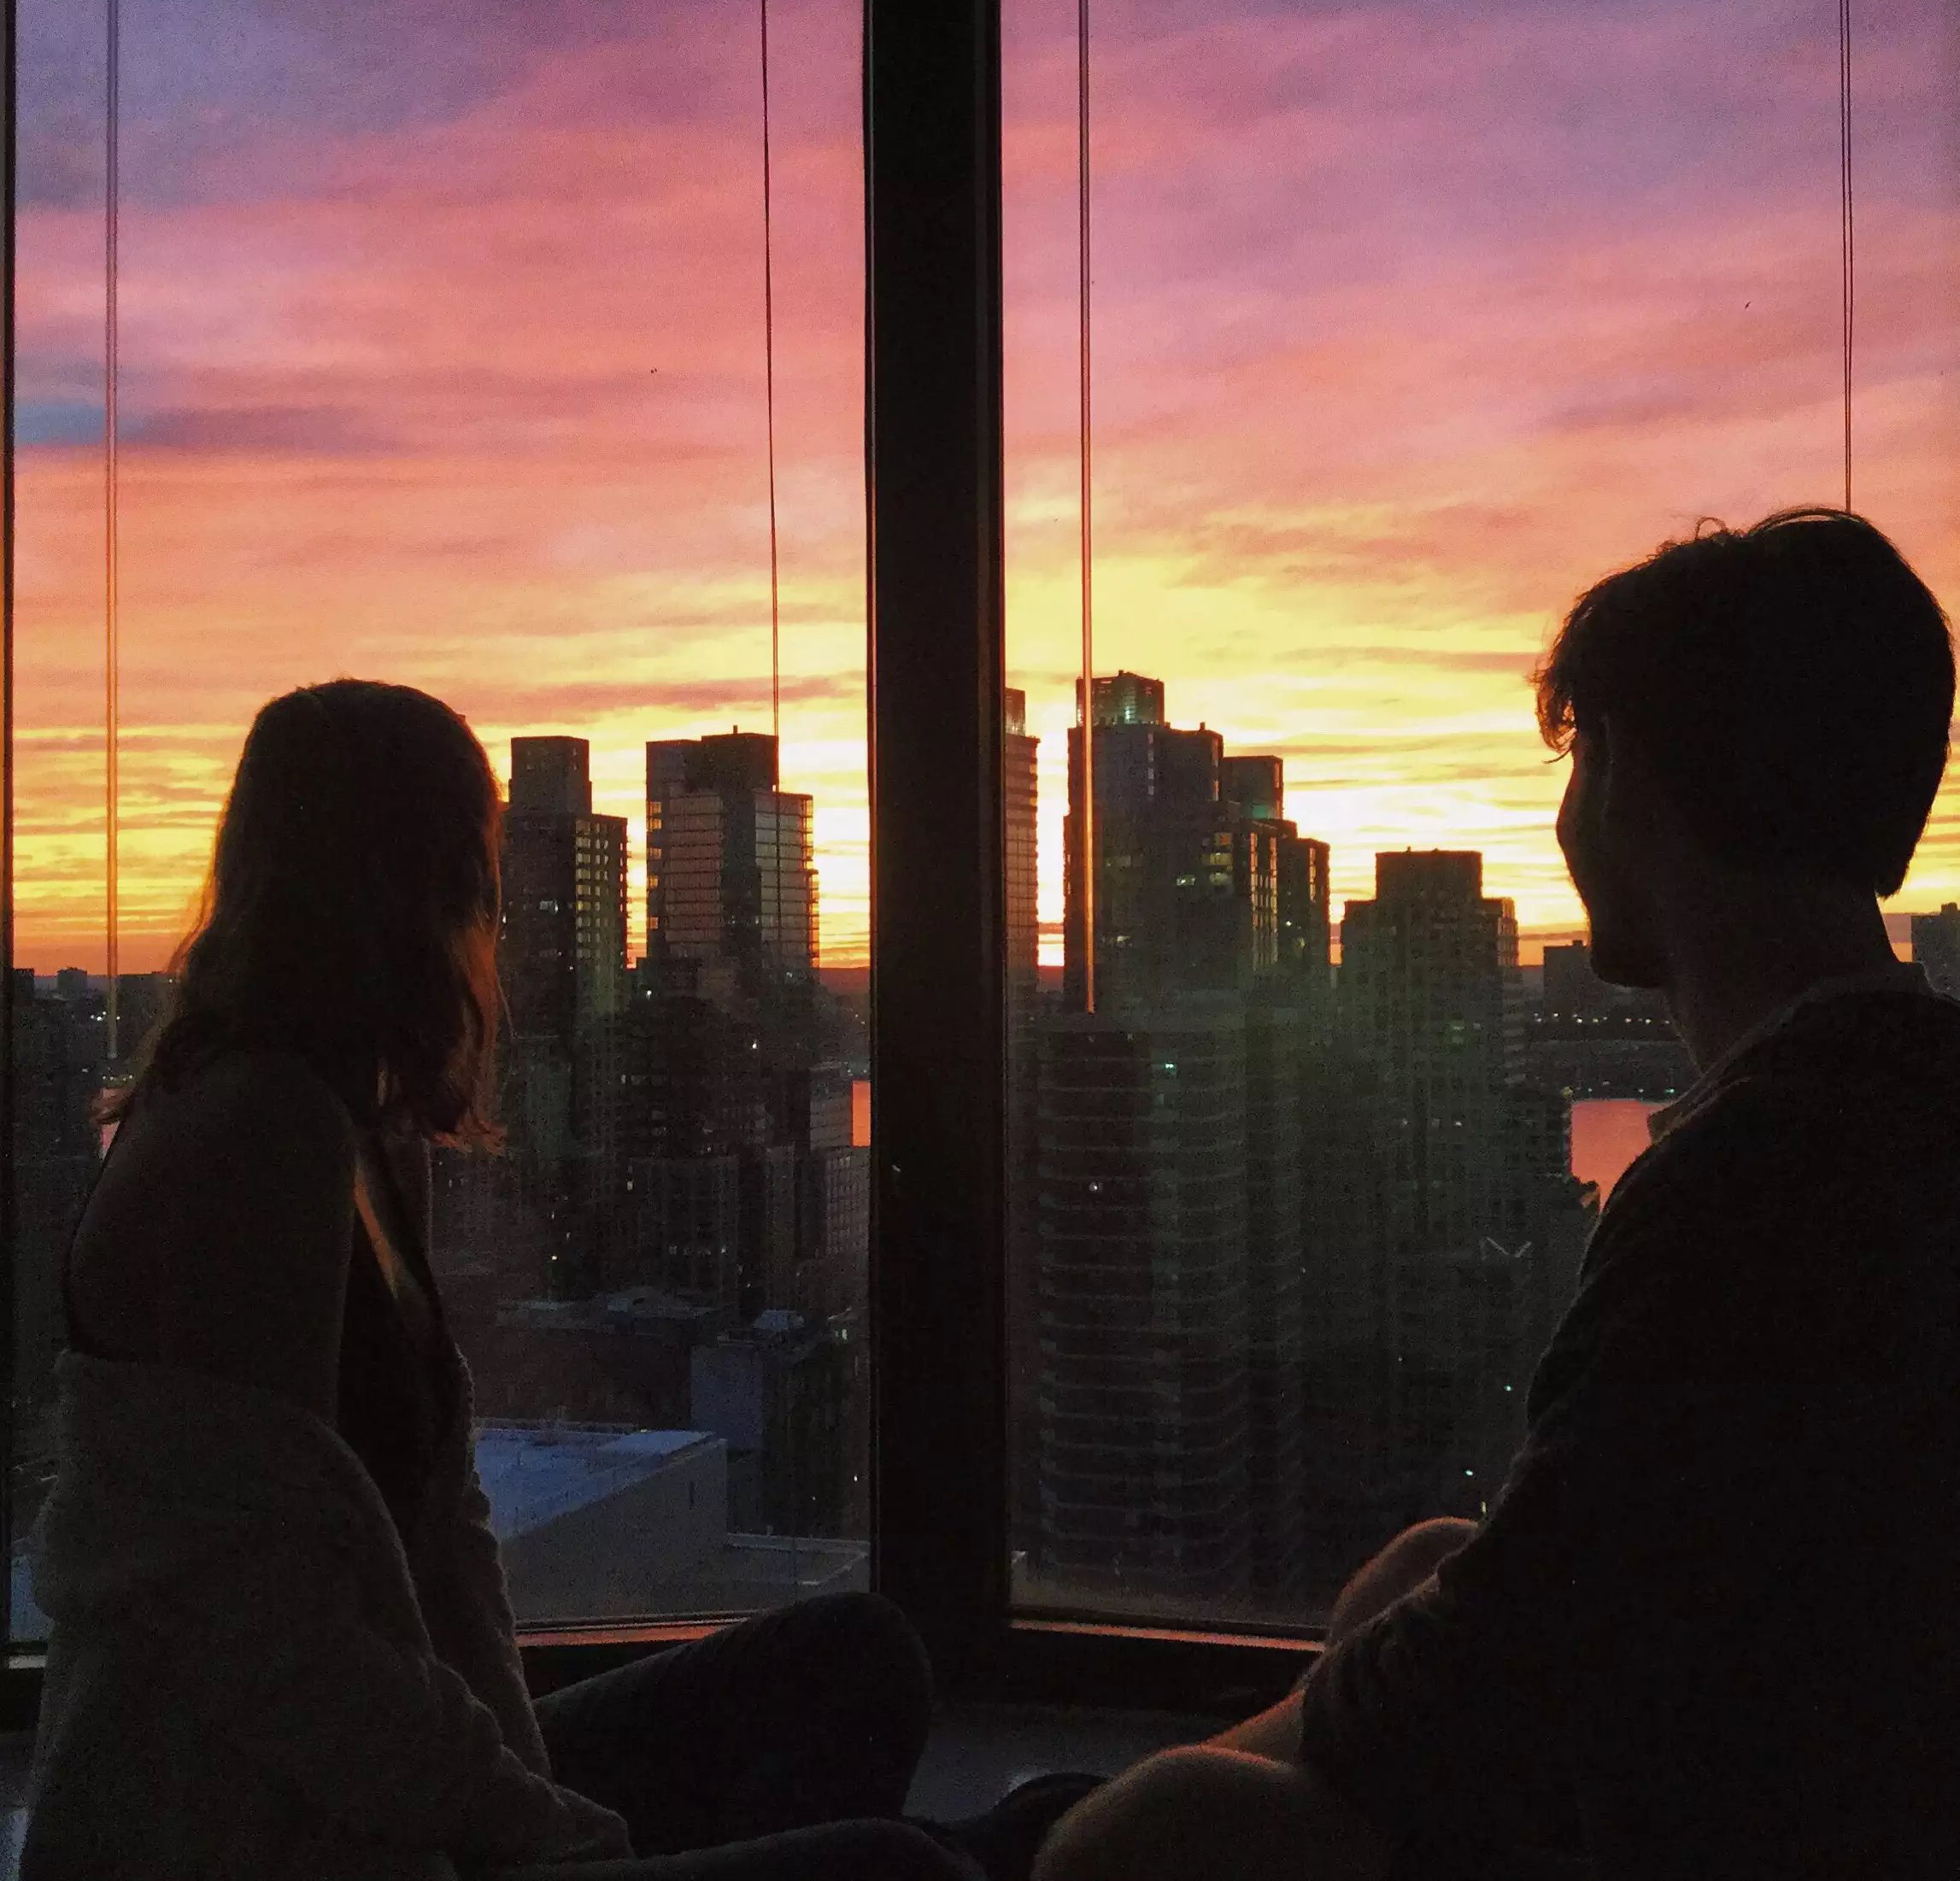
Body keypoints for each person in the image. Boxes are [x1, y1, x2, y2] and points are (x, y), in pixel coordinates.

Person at [1031, 509, 1960, 1881]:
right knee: (1418, 1561)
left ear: (1635, 787)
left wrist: (1195, 1784)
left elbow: (1491, 1675)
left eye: (1582, 754)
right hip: (1837, 1749)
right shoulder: (1903, 1097)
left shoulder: (1750, 1185)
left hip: (1763, 1817)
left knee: (1135, 1839)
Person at [21, 679, 1008, 1881]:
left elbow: (433, 1548)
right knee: (896, 1870)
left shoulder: (337, 1122)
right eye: (469, 855)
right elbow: (273, 1644)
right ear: (410, 878)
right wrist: (535, 1829)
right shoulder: (254, 1135)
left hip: (387, 1764)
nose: (491, 901)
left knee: (861, 1656)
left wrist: (526, 1787)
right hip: (246, 1826)